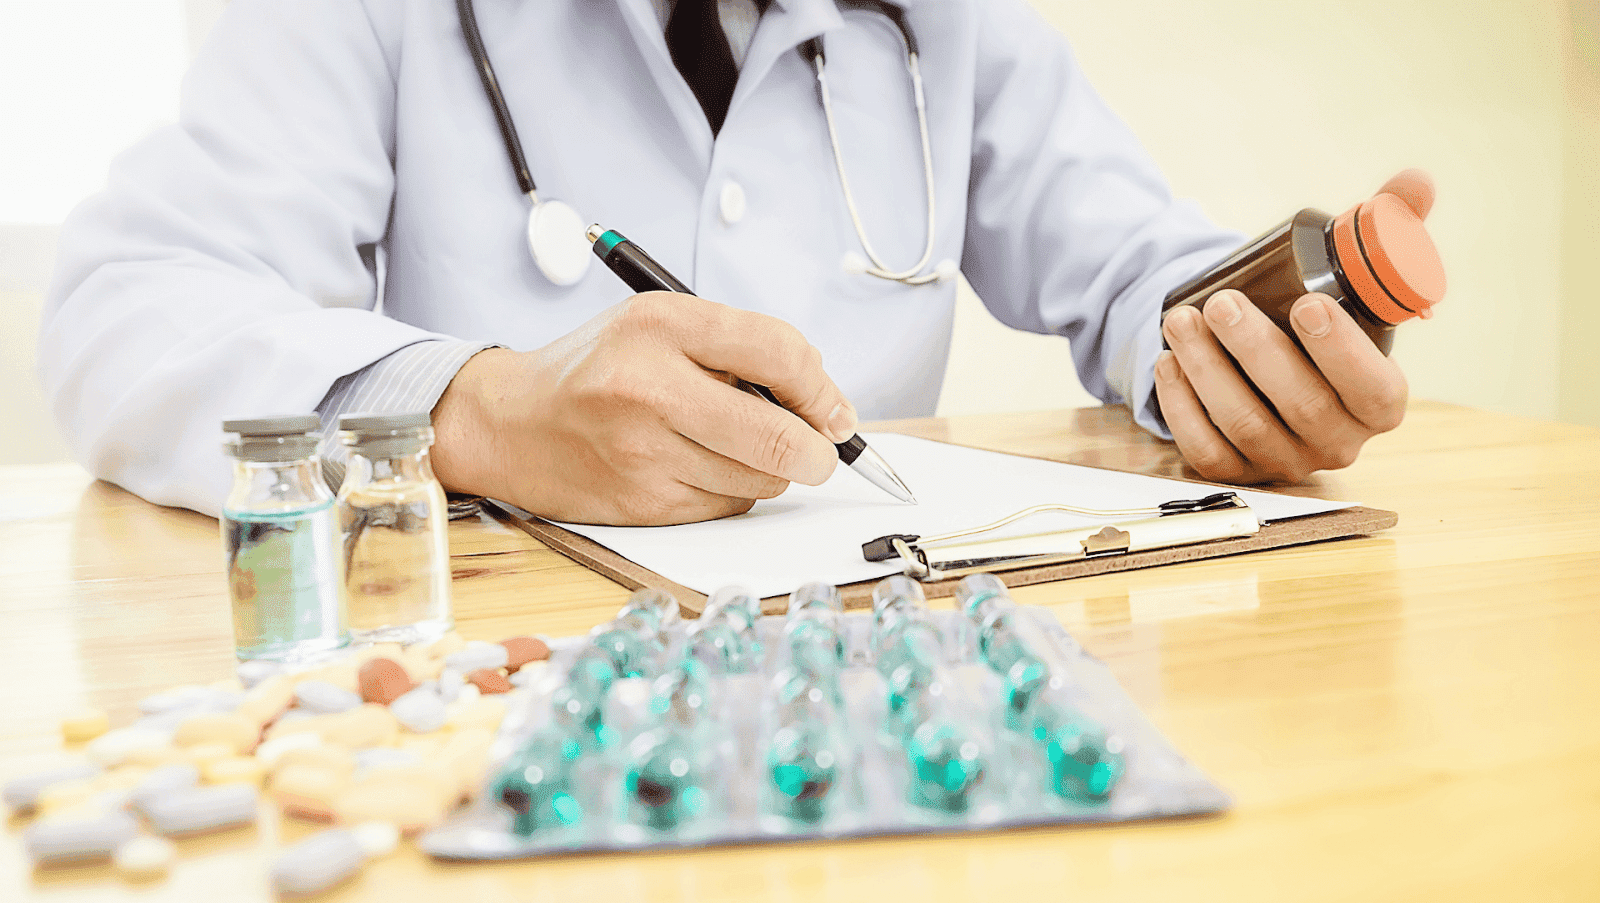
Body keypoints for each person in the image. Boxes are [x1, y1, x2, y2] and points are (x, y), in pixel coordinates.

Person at [38, 0, 1418, 525]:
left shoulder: (948, 24)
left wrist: (1243, 356)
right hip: (490, 693)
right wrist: (475, 407)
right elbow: (124, 308)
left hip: (879, 661)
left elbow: (1132, 263)